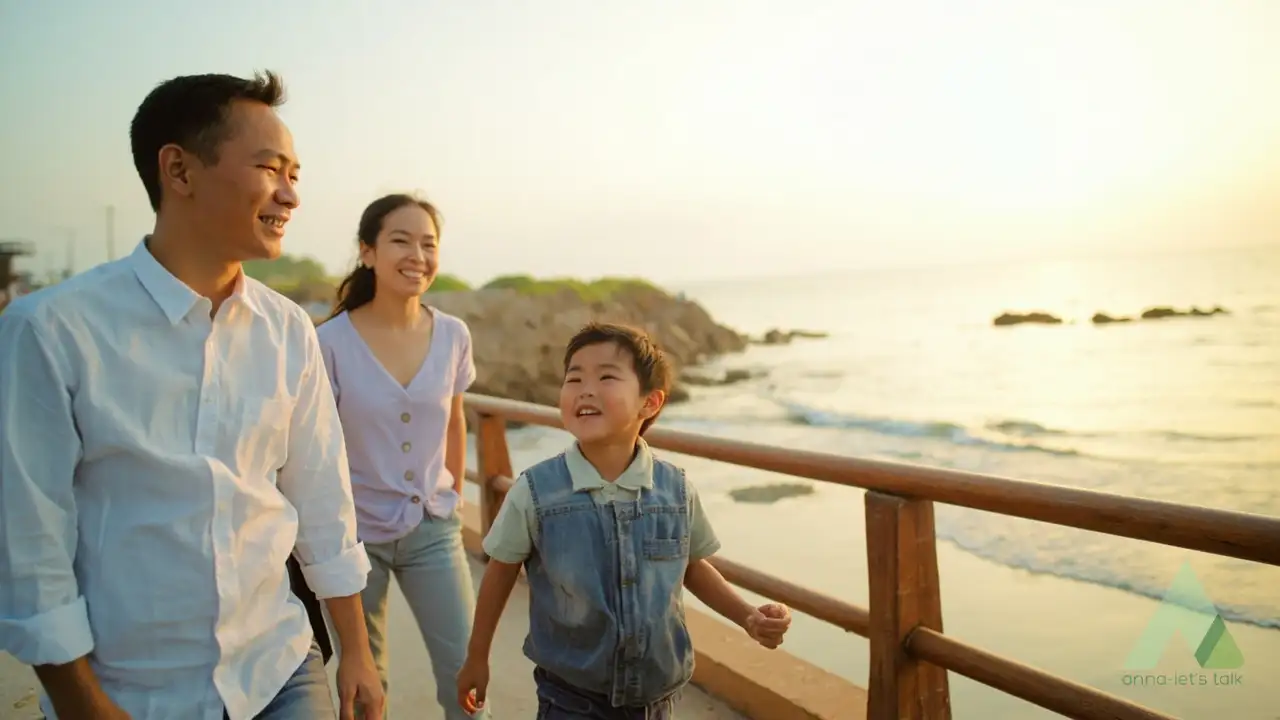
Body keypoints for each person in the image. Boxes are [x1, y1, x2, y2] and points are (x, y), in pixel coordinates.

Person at [0, 71, 385, 720]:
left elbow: (321, 499)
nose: (291, 194)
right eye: (270, 168)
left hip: (279, 670)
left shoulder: (288, 329)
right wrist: (83, 706)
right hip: (126, 691)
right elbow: (28, 540)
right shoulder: (50, 329)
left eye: (296, 173)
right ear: (179, 171)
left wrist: (356, 652)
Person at [456, 322, 793, 719]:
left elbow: (692, 566)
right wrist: (477, 657)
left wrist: (748, 616)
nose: (585, 388)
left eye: (606, 377)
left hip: (657, 699)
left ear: (649, 403)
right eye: (574, 377)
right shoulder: (537, 491)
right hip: (570, 699)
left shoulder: (675, 490)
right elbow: (500, 572)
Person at [315, 193, 485, 719]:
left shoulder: (453, 334)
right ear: (367, 252)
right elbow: (315, 447)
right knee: (367, 689)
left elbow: (455, 418)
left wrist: (454, 495)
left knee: (466, 678)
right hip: (354, 537)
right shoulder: (328, 342)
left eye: (429, 244)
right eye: (401, 240)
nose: (418, 254)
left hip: (433, 529)